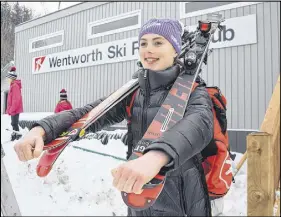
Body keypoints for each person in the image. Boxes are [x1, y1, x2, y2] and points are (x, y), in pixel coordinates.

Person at [14, 18, 214, 216]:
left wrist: (156, 157)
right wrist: (41, 130)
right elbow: (89, 113)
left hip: (183, 199)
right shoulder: (135, 92)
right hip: (138, 195)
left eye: (158, 42)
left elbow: (198, 126)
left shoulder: (194, 91)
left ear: (176, 50)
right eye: (143, 43)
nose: (148, 49)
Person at [6, 66, 23, 141]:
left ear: (12, 78)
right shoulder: (12, 86)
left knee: (14, 123)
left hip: (15, 109)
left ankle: (17, 136)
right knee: (13, 123)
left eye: (8, 78)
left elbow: (16, 100)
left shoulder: (15, 86)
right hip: (14, 109)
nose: (7, 79)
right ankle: (14, 135)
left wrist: (12, 109)